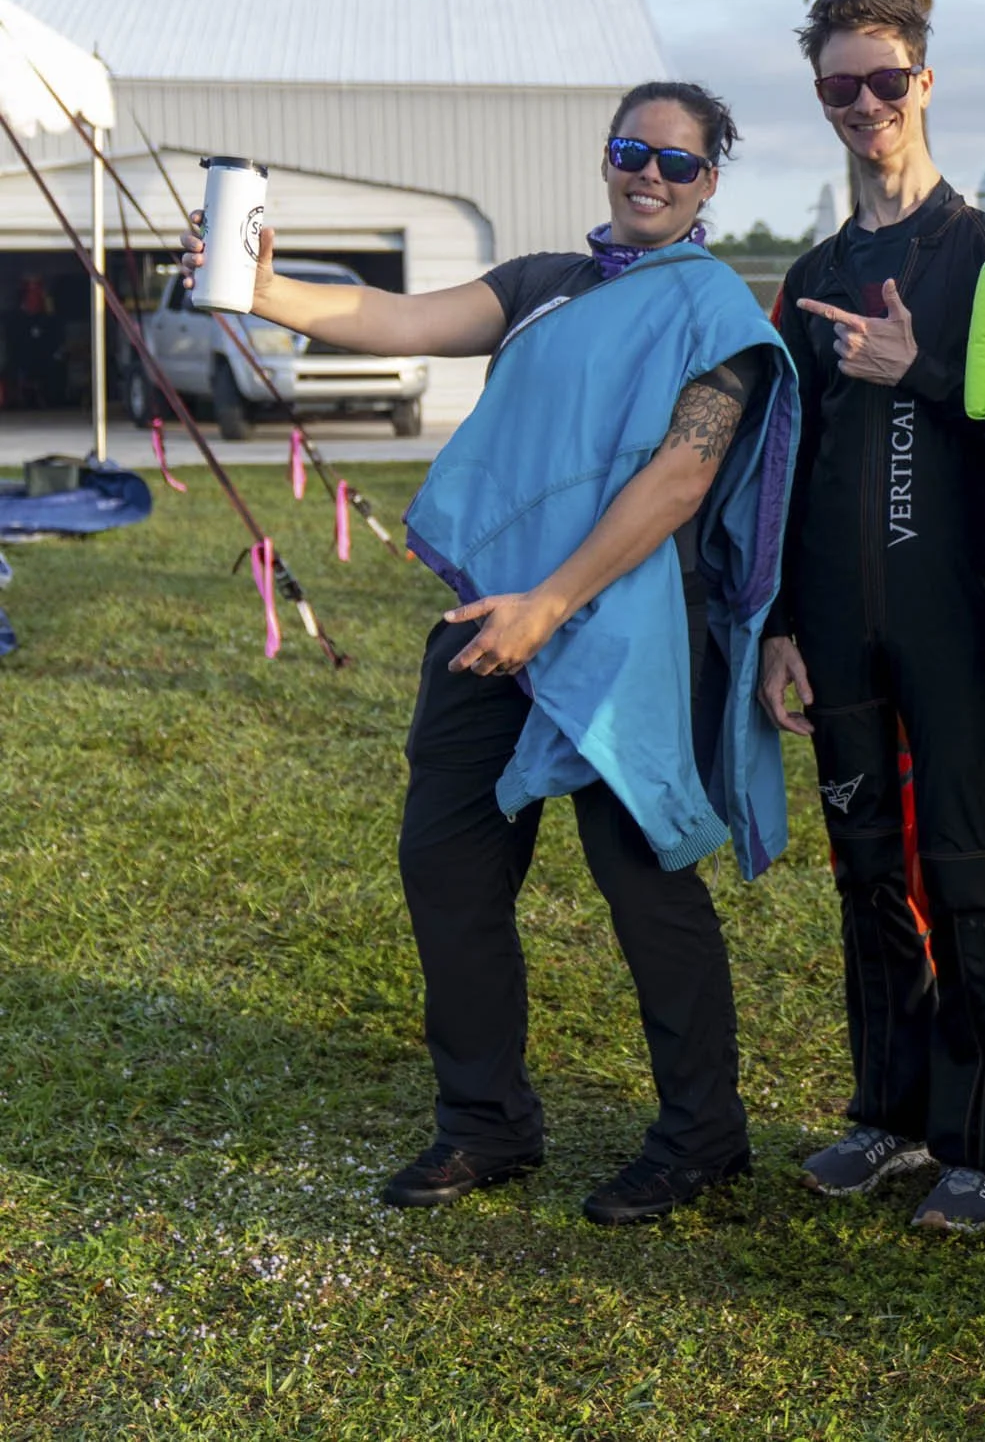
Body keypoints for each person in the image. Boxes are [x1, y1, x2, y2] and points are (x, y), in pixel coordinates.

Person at [185, 81, 796, 1228]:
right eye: (631, 152)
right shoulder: (541, 285)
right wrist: (260, 285)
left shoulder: (713, 307)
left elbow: (683, 474)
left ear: (711, 180)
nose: (648, 176)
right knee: (448, 865)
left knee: (642, 880)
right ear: (606, 159)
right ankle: (486, 1121)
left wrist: (551, 604)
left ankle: (703, 1134)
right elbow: (397, 320)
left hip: (625, 628)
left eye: (677, 162)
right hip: (487, 619)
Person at [756, 0, 985, 1234]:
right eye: (841, 87)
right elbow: (786, 461)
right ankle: (889, 1109)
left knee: (966, 870)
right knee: (863, 864)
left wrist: (918, 368)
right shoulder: (815, 274)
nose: (866, 104)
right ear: (821, 102)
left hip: (954, 610)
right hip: (834, 620)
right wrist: (773, 620)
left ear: (925, 82)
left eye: (886, 81)